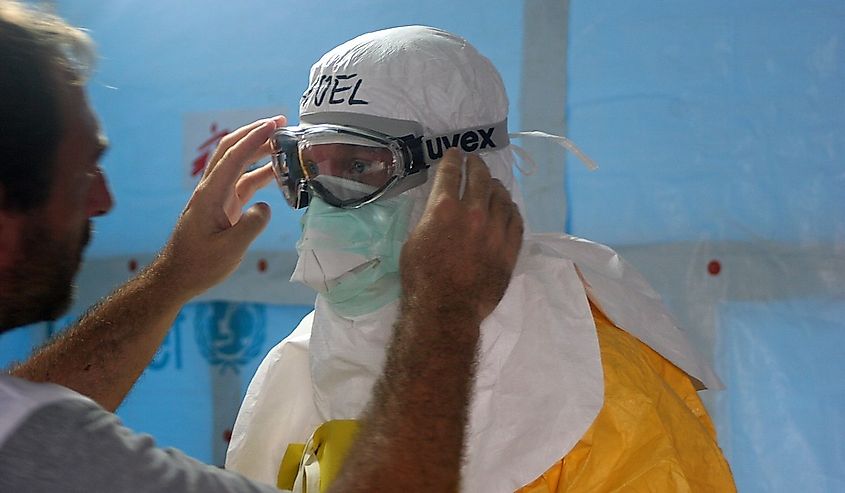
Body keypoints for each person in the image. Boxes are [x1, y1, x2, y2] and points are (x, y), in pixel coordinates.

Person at [0, 3, 522, 491]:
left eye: (359, 167)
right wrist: (445, 314)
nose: (104, 200)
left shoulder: (592, 371)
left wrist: (173, 279)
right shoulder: (291, 369)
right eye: (82, 174)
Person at [226, 26, 738, 492]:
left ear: (466, 175)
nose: (322, 210)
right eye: (311, 169)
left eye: (359, 166)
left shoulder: (595, 387)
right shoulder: (302, 360)